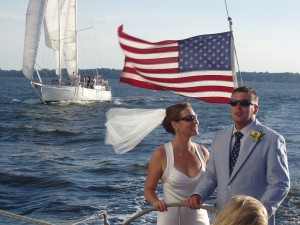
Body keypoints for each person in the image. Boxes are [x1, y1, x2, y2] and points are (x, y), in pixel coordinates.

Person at [184, 86, 290, 225]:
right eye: (234, 103)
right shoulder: (219, 137)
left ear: (255, 109)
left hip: (253, 221)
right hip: (222, 217)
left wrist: (259, 213)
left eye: (244, 103)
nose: (238, 107)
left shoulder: (272, 140)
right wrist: (198, 194)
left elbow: (280, 184)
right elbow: (211, 175)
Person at [144, 102, 210, 225]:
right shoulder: (161, 154)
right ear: (175, 124)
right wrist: (156, 202)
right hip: (170, 220)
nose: (196, 122)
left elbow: (213, 181)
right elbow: (149, 189)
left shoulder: (203, 152)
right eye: (190, 118)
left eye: (195, 116)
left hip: (200, 219)